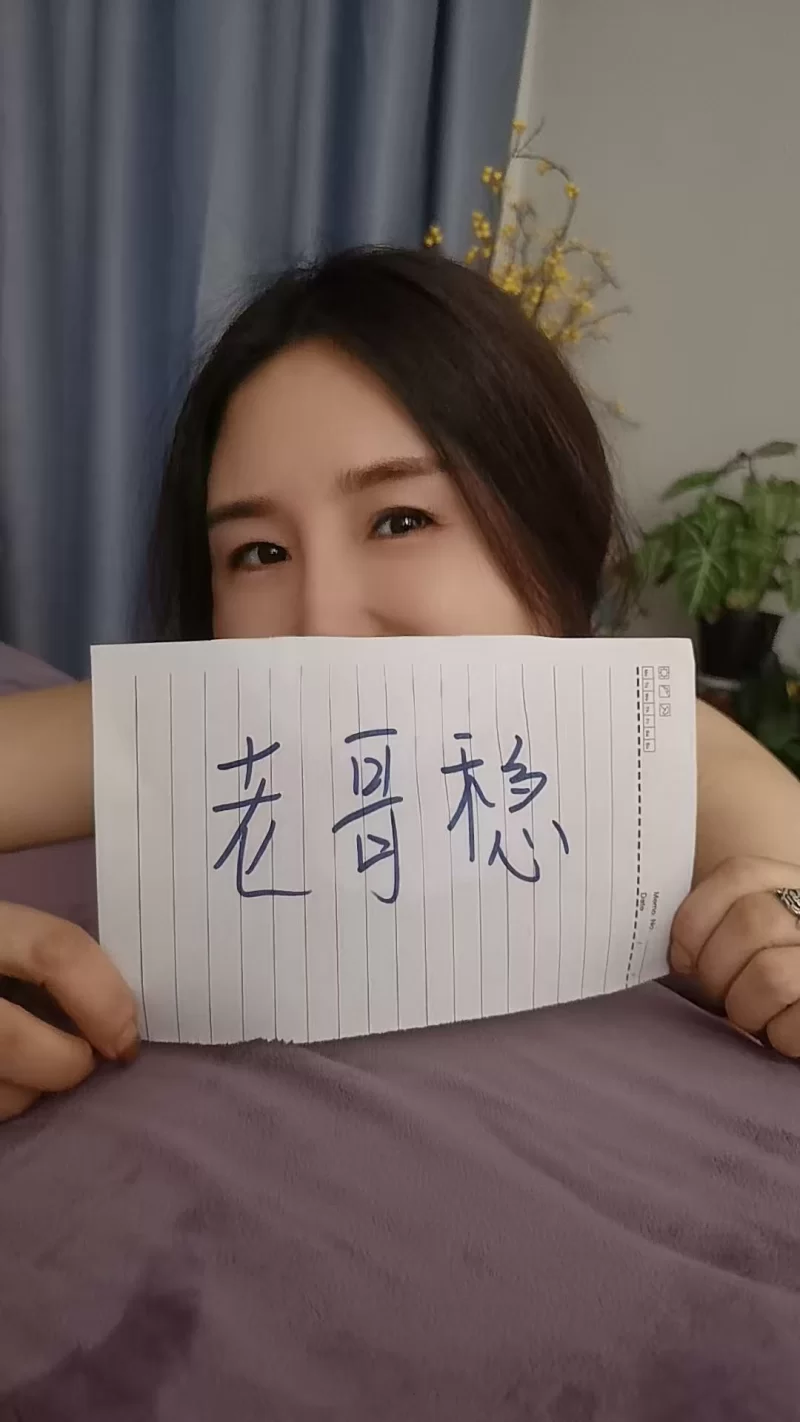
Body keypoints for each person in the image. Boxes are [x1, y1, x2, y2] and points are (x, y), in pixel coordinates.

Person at [0, 246, 798, 1124]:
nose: (320, 621)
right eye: (259, 551)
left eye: (400, 520)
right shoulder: (170, 735)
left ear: (552, 534)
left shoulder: (653, 747)